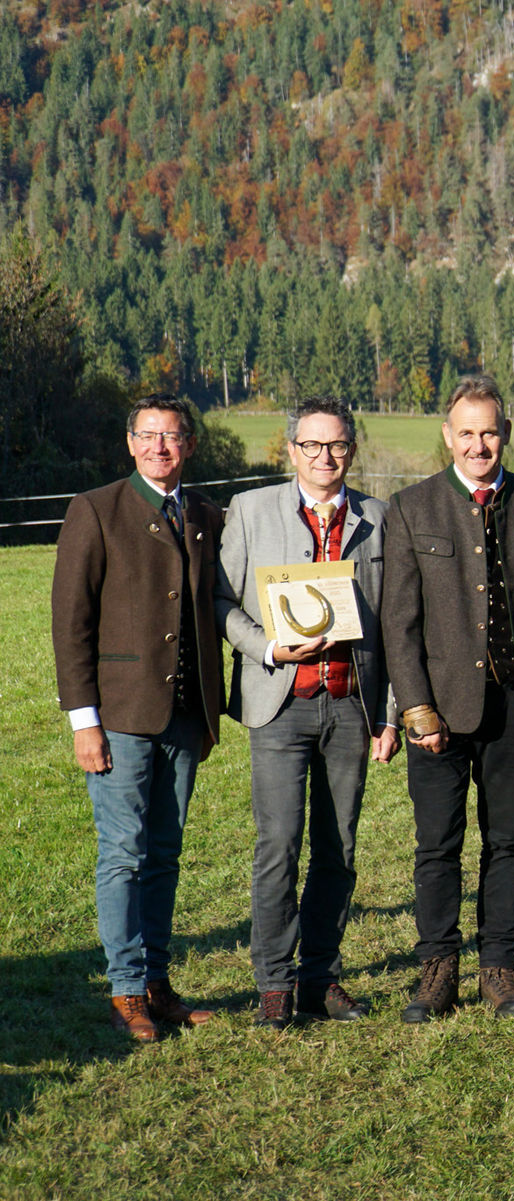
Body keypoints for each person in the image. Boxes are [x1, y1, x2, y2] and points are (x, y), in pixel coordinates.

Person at [213, 397, 399, 1029]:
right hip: (279, 704)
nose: (326, 457)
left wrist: (392, 713)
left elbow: (397, 623)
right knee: (279, 846)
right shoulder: (251, 510)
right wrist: (265, 646)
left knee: (339, 849)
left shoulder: (378, 517)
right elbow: (220, 600)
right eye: (313, 446)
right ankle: (274, 981)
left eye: (338, 445)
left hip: (350, 705)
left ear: (352, 448)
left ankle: (320, 976)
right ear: (291, 449)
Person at [383, 375, 514, 1021]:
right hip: (438, 710)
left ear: (505, 433)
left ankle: (499, 966)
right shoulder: (411, 508)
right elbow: (397, 622)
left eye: (489, 431)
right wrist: (414, 706)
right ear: (447, 436)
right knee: (437, 845)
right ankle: (437, 969)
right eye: (467, 432)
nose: (479, 443)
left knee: (507, 840)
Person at [51, 394, 224, 1042]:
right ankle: (125, 989)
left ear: (189, 444)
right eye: (148, 435)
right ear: (130, 444)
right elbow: (70, 626)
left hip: (184, 715)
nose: (160, 446)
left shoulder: (205, 514)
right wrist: (83, 721)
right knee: (123, 852)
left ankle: (156, 982)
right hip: (119, 716)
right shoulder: (95, 510)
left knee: (164, 854)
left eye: (172, 435)